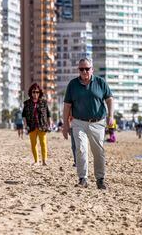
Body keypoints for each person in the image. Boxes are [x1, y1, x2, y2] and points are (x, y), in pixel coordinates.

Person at [62, 58, 114, 190]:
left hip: (98, 122)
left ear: (92, 69)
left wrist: (111, 116)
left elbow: (109, 99)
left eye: (87, 69)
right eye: (81, 69)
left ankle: (100, 179)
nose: (84, 71)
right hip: (79, 122)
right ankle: (82, 179)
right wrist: (65, 125)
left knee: (98, 152)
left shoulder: (100, 83)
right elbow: (67, 105)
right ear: (78, 70)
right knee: (81, 150)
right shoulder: (72, 85)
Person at [22, 83, 51, 166]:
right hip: (31, 126)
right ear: (31, 93)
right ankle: (36, 161)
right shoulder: (27, 103)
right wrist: (25, 125)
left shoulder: (44, 102)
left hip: (42, 126)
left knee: (43, 143)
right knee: (33, 144)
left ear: (40, 93)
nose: (35, 94)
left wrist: (50, 124)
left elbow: (48, 114)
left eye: (37, 92)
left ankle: (44, 161)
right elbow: (23, 115)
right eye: (33, 92)